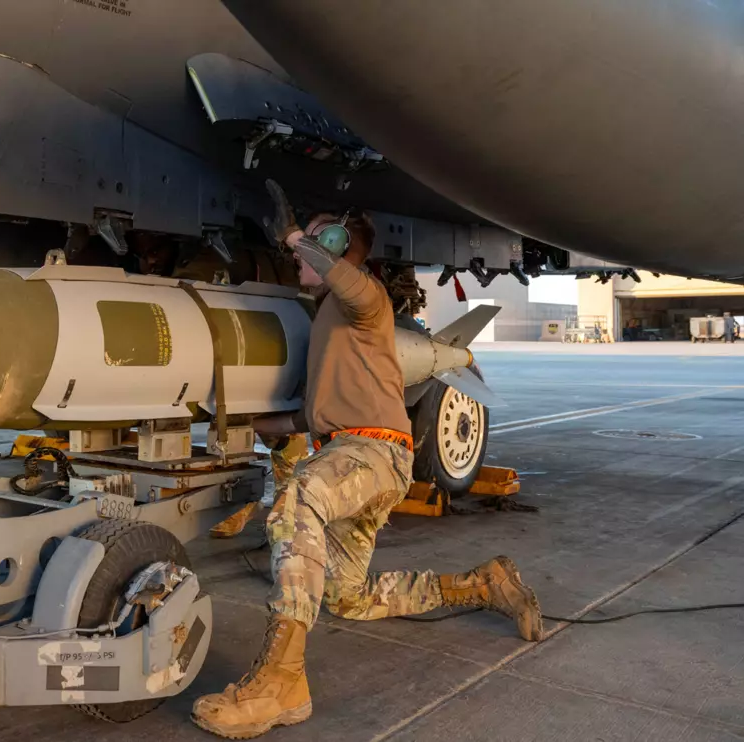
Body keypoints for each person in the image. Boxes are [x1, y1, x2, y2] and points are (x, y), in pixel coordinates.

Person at [191, 181, 544, 739]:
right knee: (347, 598)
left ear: (336, 247)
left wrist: (288, 235)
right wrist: (244, 423)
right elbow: (312, 418)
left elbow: (349, 285)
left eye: (315, 239)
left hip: (371, 452)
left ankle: (281, 682)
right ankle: (482, 584)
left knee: (297, 500)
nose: (300, 251)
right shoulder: (331, 323)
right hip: (362, 455)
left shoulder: (366, 299)